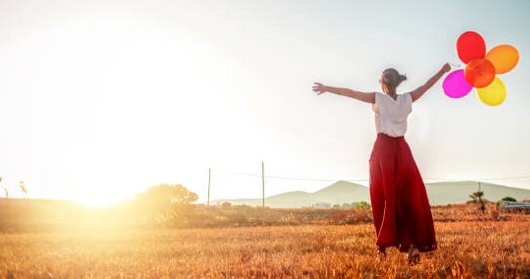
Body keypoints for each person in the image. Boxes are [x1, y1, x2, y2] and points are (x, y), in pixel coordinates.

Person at [313, 63, 451, 264]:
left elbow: (350, 93)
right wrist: (442, 71)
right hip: (403, 151)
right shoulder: (407, 99)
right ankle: (411, 245)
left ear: (383, 83)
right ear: (397, 83)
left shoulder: (377, 98)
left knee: (384, 198)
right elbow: (427, 85)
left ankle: (383, 246)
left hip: (384, 151)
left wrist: (327, 88)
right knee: (408, 198)